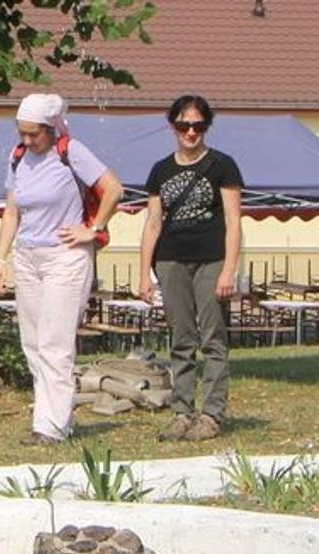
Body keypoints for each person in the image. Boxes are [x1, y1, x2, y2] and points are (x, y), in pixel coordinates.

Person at [0, 93, 123, 445]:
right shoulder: (17, 158)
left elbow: (114, 189)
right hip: (28, 256)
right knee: (32, 343)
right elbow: (11, 212)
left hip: (65, 257)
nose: (27, 140)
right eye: (21, 132)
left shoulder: (71, 152)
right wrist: (1, 259)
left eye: (33, 133)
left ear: (51, 128)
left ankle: (52, 426)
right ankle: (48, 418)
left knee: (55, 342)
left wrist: (92, 229)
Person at [138, 94, 244, 443]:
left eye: (198, 125)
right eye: (184, 125)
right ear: (173, 127)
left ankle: (212, 414)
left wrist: (229, 270)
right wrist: (144, 273)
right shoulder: (160, 170)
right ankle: (182, 412)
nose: (191, 132)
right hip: (171, 260)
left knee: (213, 338)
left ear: (206, 127)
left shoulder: (222, 165)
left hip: (211, 258)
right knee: (181, 338)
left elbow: (234, 220)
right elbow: (153, 223)